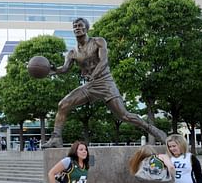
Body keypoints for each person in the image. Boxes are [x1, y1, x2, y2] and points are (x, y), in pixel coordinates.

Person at [42, 18, 166, 148]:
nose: (77, 28)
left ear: (86, 28)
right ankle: (56, 138)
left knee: (124, 115)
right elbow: (65, 69)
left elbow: (104, 61)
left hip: (105, 82)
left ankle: (151, 129)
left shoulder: (98, 41)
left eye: (80, 26)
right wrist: (52, 70)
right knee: (63, 104)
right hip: (90, 86)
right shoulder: (72, 52)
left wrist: (94, 75)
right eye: (75, 26)